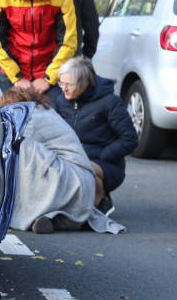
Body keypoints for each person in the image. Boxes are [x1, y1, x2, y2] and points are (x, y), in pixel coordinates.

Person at [0, 86, 123, 234]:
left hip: (69, 180)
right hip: (81, 185)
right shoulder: (44, 111)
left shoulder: (28, 117)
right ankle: (50, 217)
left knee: (20, 148)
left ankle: (22, 212)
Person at [53, 56, 136, 211]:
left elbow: (129, 139)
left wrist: (104, 155)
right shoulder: (61, 101)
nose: (63, 88)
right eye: (61, 83)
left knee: (83, 169)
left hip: (104, 163)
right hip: (72, 158)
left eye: (69, 84)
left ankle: (100, 200)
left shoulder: (110, 102)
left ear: (84, 83)